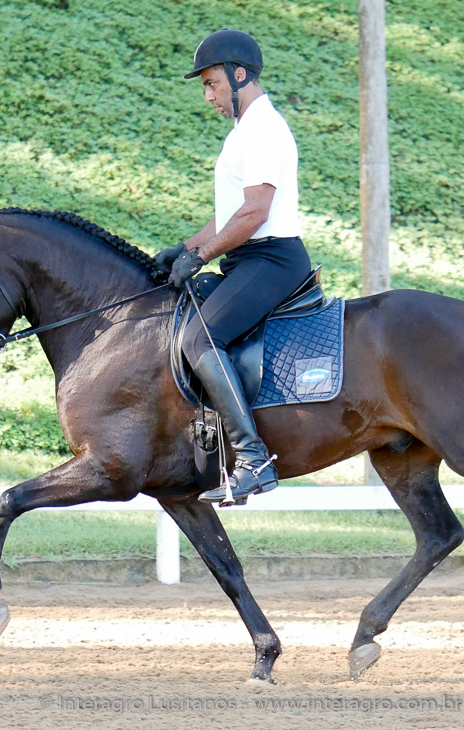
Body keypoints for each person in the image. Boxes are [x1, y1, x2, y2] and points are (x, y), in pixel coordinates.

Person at [155, 29, 312, 504]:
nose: (209, 97)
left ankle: (252, 458)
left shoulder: (264, 128)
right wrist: (183, 248)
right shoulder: (245, 131)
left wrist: (201, 257)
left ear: (238, 74)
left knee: (200, 338)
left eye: (212, 85)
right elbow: (228, 215)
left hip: (272, 259)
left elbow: (254, 212)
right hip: (250, 258)